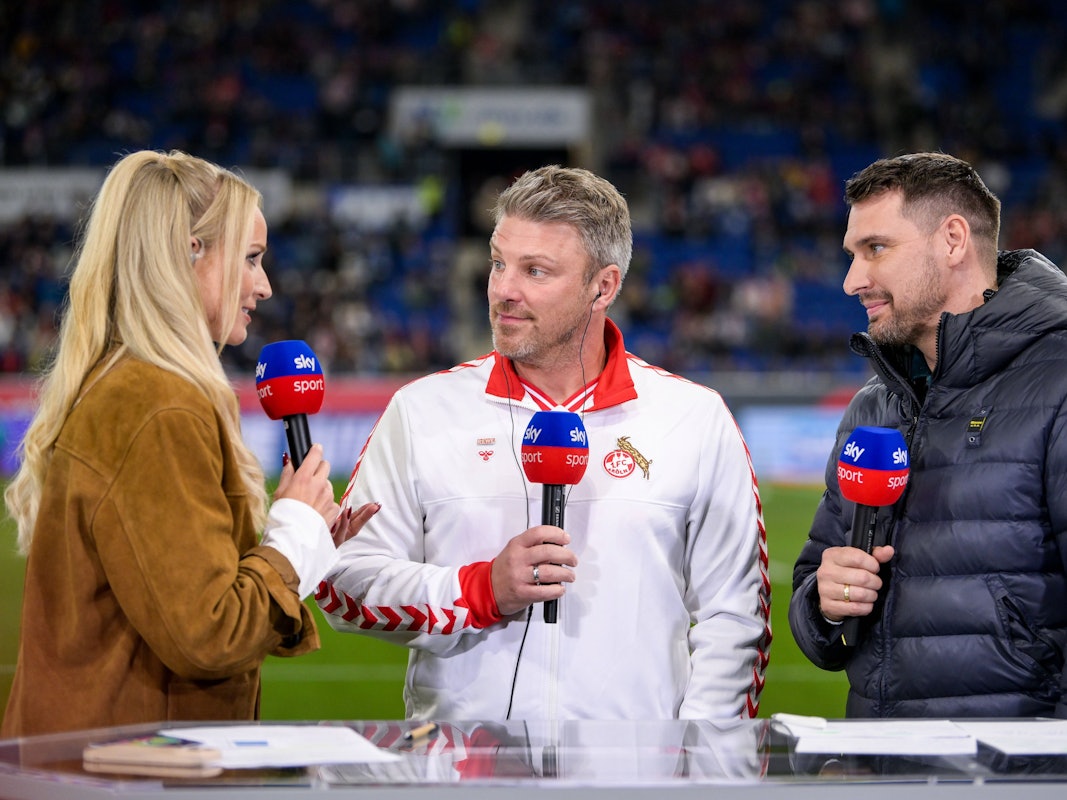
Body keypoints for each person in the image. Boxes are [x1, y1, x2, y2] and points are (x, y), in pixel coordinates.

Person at [317, 165, 771, 720]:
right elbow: (343, 583)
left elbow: (737, 619)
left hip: (632, 782)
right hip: (463, 776)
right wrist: (478, 589)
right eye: (498, 263)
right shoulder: (421, 412)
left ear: (603, 286)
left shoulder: (693, 418)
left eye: (536, 271)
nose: (504, 290)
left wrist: (695, 760)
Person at [1, 150, 377, 737]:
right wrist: (291, 536)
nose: (266, 285)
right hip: (134, 767)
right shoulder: (158, 403)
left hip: (110, 757)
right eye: (251, 259)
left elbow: (181, 597)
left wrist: (304, 543)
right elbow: (210, 633)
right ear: (188, 253)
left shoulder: (134, 386)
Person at [789, 152, 1067, 718]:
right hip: (882, 764)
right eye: (852, 255)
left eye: (877, 249)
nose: (851, 281)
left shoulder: (1057, 382)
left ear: (953, 239)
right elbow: (815, 600)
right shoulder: (874, 406)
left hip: (1019, 774)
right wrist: (825, 603)